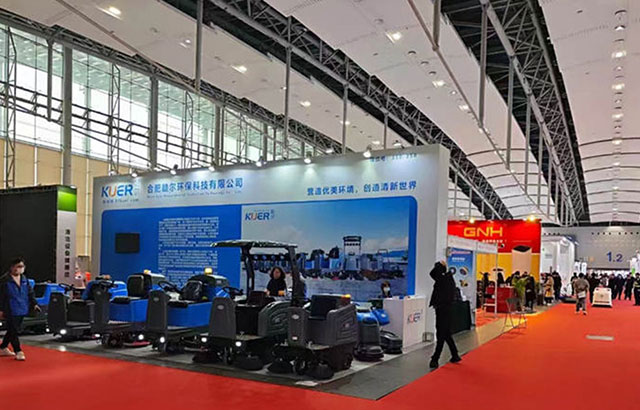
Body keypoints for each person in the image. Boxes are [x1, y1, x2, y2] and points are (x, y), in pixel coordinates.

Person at [0, 258, 39, 361]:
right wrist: (1, 310)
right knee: (13, 330)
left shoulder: (24, 279)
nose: (20, 269)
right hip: (10, 309)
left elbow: (30, 292)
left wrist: (34, 303)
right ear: (12, 267)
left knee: (13, 329)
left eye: (22, 266)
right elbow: (1, 296)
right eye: (18, 266)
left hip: (22, 308)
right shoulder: (4, 280)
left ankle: (3, 347)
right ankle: (18, 351)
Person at [428, 260, 461, 369]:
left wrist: (440, 265)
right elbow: (432, 274)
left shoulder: (444, 279)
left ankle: (435, 358)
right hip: (444, 309)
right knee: (446, 333)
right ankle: (455, 354)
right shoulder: (446, 278)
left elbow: (433, 273)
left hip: (443, 310)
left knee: (441, 334)